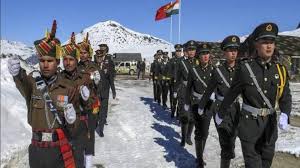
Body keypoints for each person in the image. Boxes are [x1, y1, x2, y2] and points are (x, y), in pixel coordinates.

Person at [218, 23, 292, 168]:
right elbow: (232, 94)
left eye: (271, 42)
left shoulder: (280, 70)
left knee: (266, 164)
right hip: (249, 126)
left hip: (269, 128)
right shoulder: (245, 68)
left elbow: (286, 96)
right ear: (256, 44)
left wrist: (285, 113)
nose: (269, 46)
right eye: (264, 42)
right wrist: (221, 113)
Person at [8, 20, 77, 168]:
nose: (45, 65)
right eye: (42, 60)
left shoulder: (68, 87)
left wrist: (72, 120)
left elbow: (75, 127)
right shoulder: (32, 83)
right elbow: (22, 81)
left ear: (57, 62)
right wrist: (17, 73)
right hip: (37, 150)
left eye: (50, 61)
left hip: (59, 149)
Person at [198, 35, 241, 168]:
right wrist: (201, 106)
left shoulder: (242, 70)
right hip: (220, 110)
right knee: (226, 143)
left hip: (236, 109)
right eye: (230, 50)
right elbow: (209, 90)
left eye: (235, 49)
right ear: (224, 52)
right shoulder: (218, 71)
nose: (233, 53)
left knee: (232, 140)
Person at [60, 32, 100, 168]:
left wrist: (87, 97)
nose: (68, 63)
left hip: (83, 118)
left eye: (71, 59)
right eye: (65, 59)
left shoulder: (86, 75)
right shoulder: (59, 77)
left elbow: (95, 93)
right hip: (64, 122)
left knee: (85, 145)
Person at [184, 43, 214, 167]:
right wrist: (186, 102)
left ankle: (200, 153)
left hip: (209, 105)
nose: (205, 56)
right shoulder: (193, 71)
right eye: (202, 53)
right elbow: (188, 88)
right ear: (198, 56)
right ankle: (199, 159)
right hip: (196, 104)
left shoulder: (215, 70)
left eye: (207, 53)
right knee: (199, 131)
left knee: (205, 132)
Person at [77, 32, 101, 167]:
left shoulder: (94, 67)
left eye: (85, 52)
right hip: (79, 105)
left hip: (91, 105)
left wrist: (97, 81)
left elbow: (101, 86)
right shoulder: (76, 66)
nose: (82, 55)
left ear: (89, 53)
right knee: (79, 133)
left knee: (90, 134)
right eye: (81, 52)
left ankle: (89, 163)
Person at [175, 40, 197, 147]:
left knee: (193, 117)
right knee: (185, 116)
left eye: (193, 49)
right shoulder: (182, 63)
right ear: (186, 51)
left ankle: (188, 136)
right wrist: (176, 90)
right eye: (189, 49)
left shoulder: (199, 62)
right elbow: (178, 78)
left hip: (196, 92)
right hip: (184, 91)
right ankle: (183, 138)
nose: (191, 52)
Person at [94, 44, 116, 137]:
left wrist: (113, 91)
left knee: (103, 110)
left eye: (102, 52)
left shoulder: (108, 62)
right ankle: (96, 122)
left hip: (105, 91)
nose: (99, 57)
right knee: (96, 109)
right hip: (95, 92)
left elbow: (111, 78)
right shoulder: (94, 64)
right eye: (98, 56)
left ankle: (101, 128)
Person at [171, 44, 184, 119]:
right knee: (174, 99)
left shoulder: (184, 60)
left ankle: (178, 115)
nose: (178, 52)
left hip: (182, 83)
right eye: (177, 51)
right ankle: (173, 111)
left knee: (181, 100)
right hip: (174, 82)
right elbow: (170, 71)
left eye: (179, 51)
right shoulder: (172, 60)